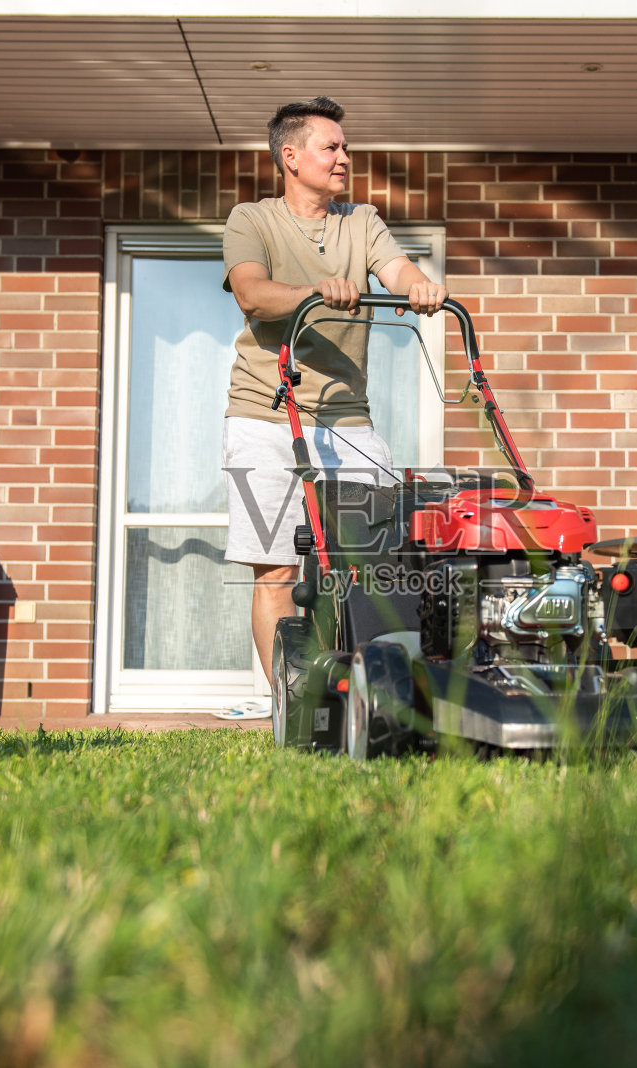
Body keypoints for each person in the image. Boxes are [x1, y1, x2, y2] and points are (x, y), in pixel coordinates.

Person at [216, 96, 447, 719]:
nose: (345, 157)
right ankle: (286, 706)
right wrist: (313, 290)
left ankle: (382, 695)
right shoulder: (251, 219)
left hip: (347, 419)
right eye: (331, 147)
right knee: (276, 571)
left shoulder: (362, 219)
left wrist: (416, 286)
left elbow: (394, 268)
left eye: (345, 147)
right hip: (266, 413)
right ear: (290, 157)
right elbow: (253, 294)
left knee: (382, 559)